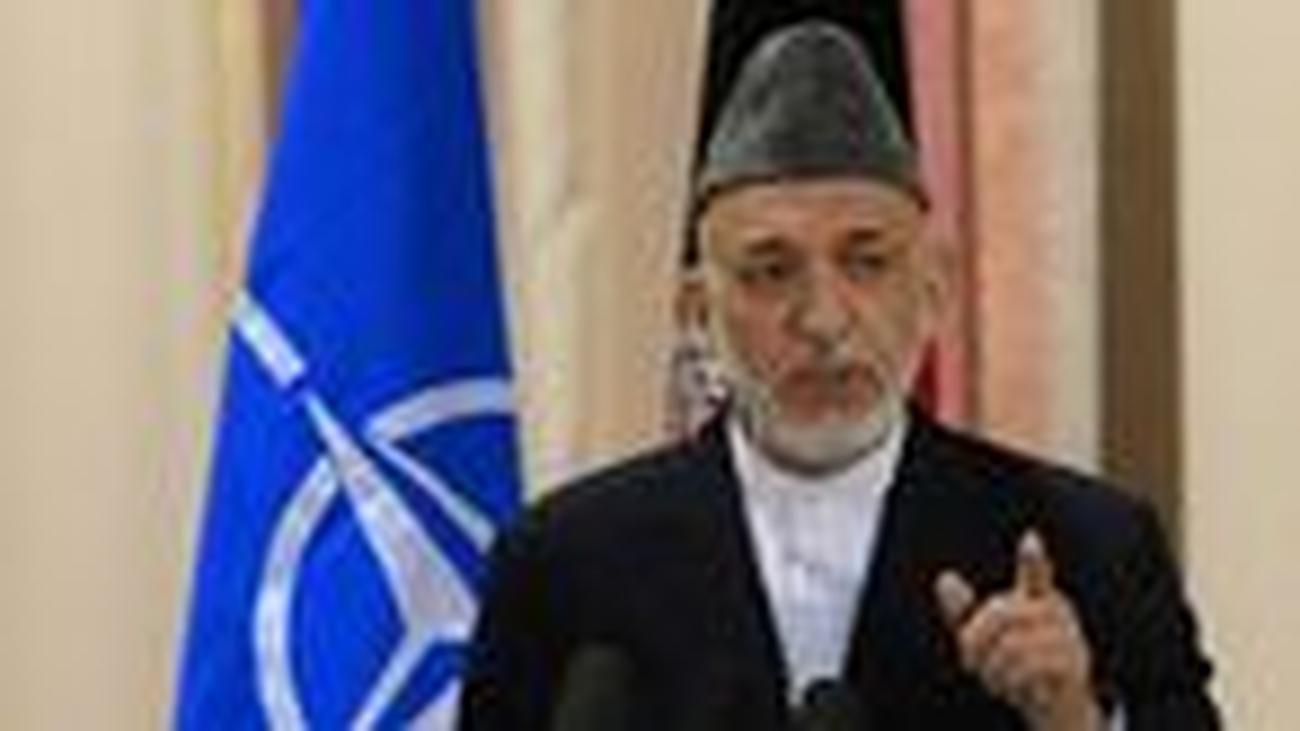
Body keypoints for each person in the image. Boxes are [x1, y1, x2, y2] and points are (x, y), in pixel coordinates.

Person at [459, 20, 1218, 731]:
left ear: (934, 288)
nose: (823, 319)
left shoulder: (1091, 546)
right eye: (771, 271)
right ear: (697, 311)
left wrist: (1076, 718)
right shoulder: (566, 561)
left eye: (867, 262)